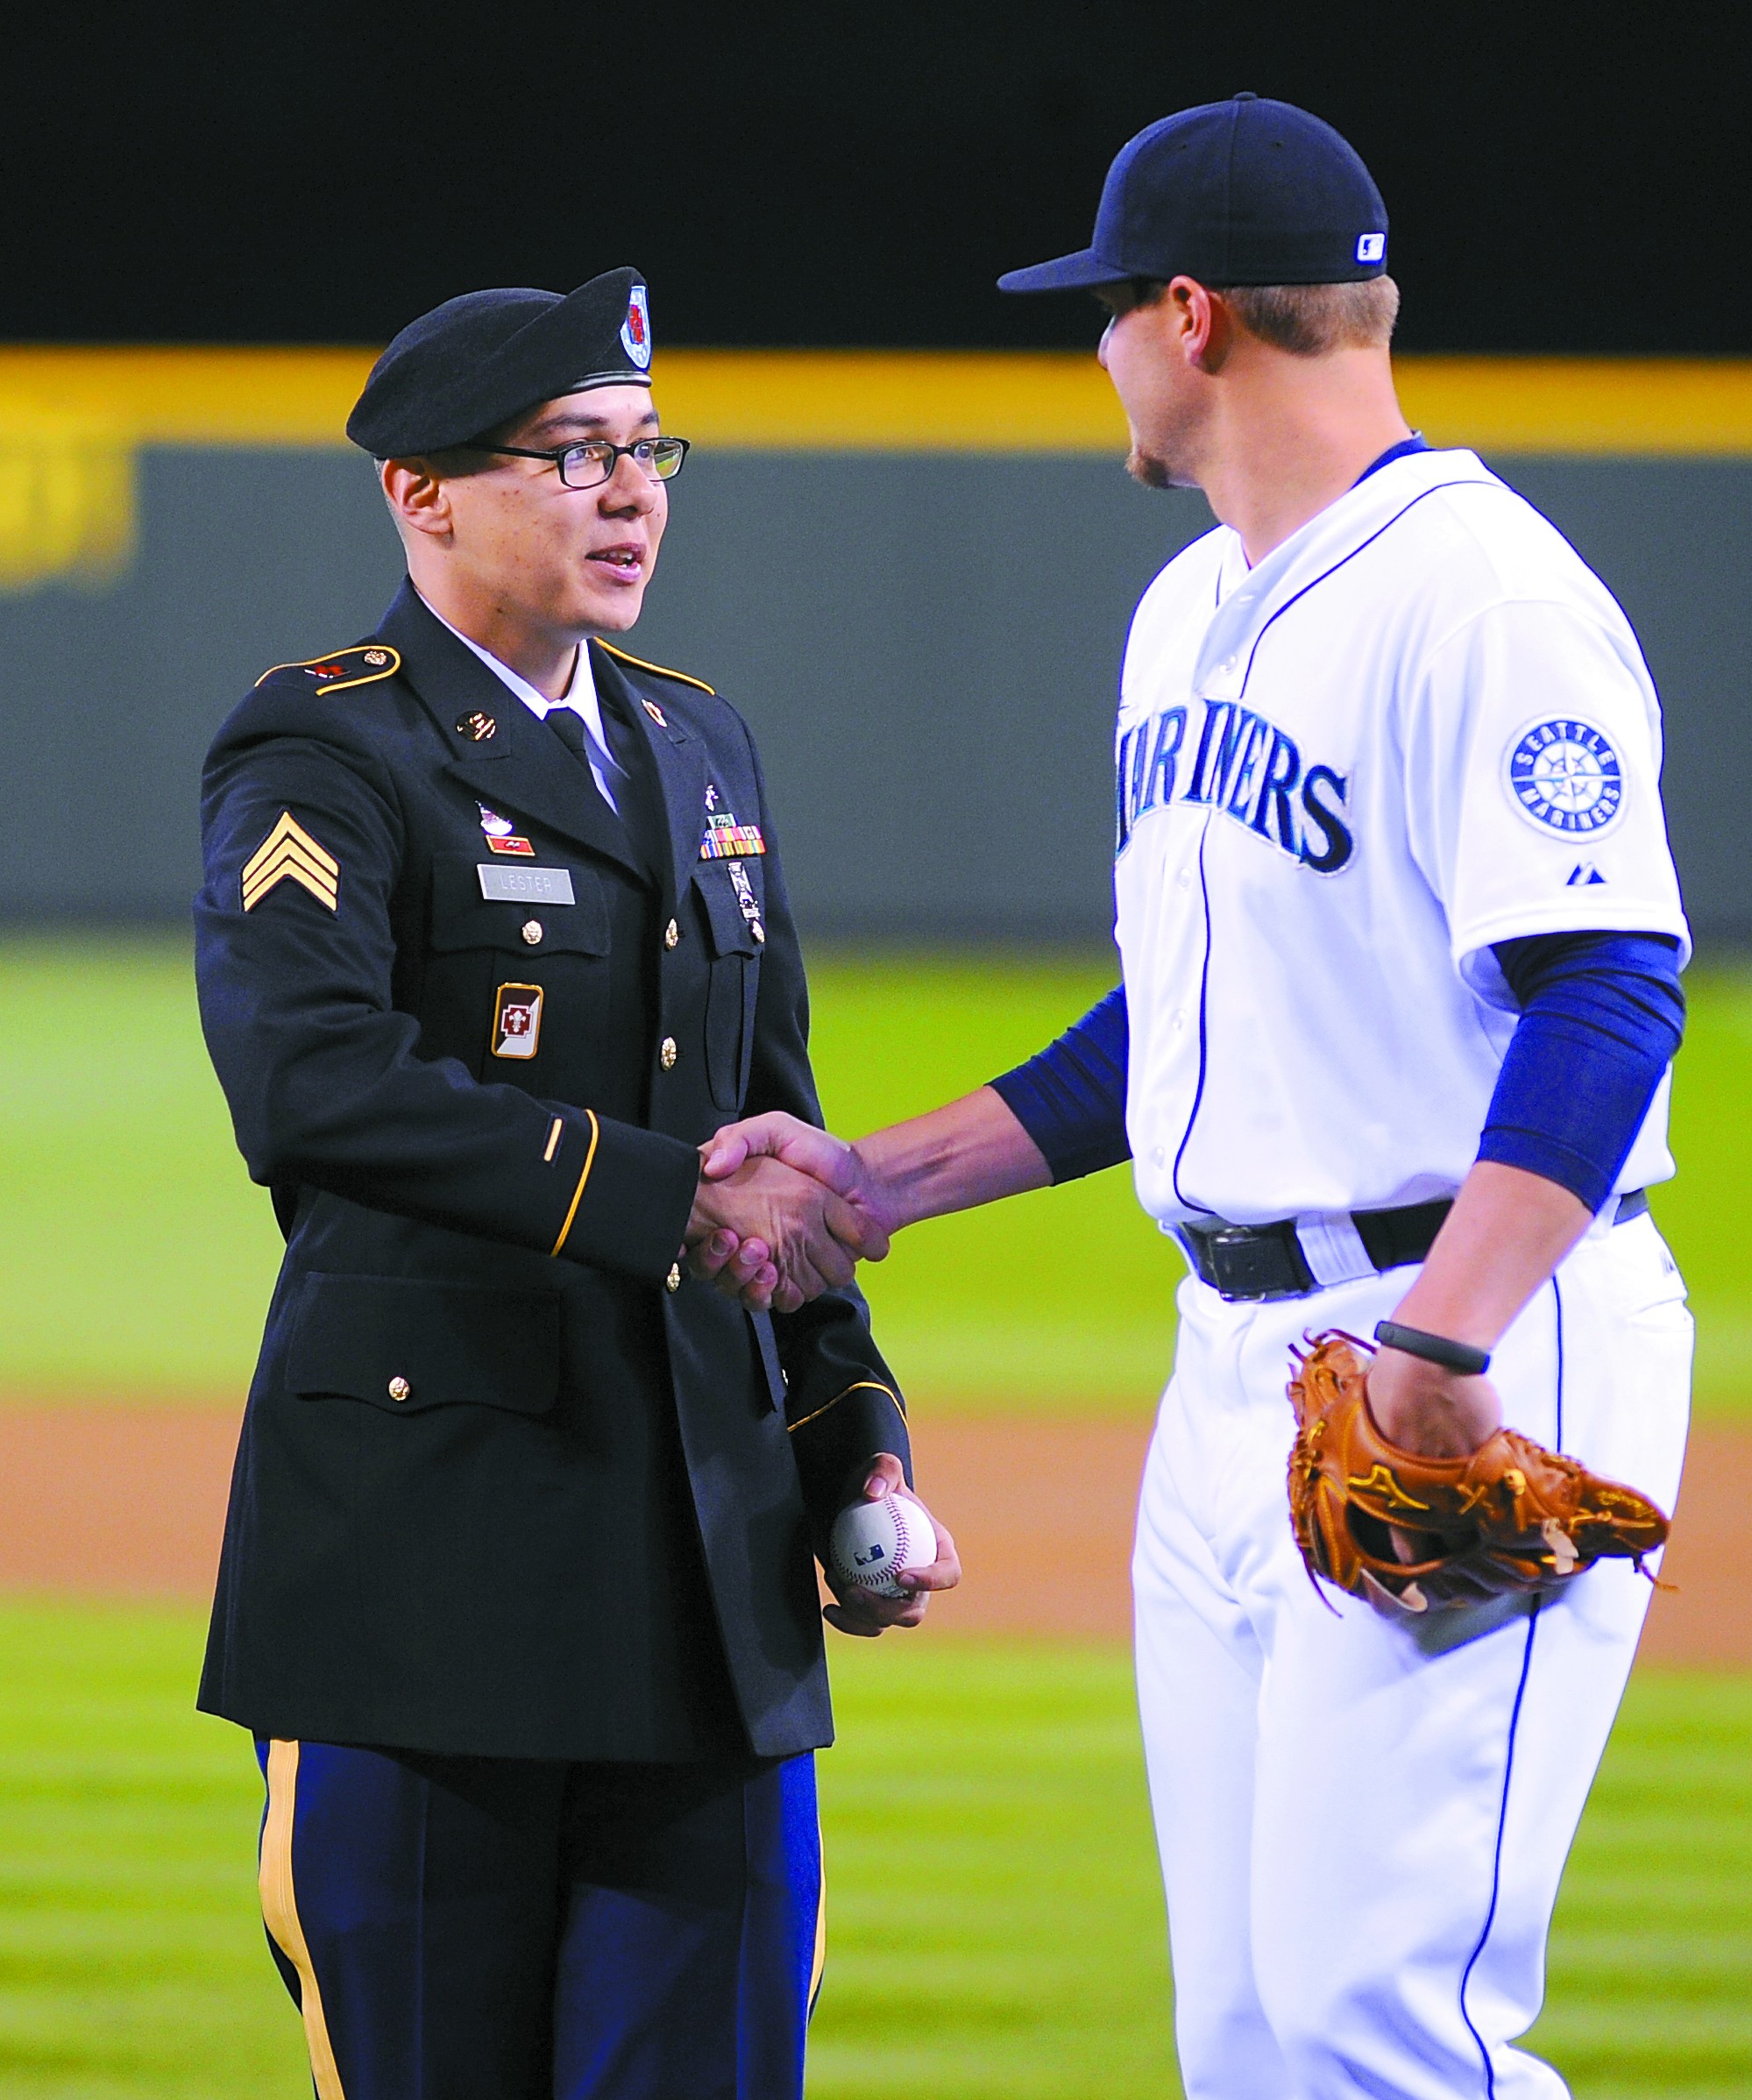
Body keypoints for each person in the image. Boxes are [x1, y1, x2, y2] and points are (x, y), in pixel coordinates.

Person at [704, 96, 1694, 2099]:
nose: (1096, 355)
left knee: (1375, 2020)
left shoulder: (1484, 598)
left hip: (1467, 1338)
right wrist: (872, 1182)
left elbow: (1610, 992)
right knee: (1248, 2039)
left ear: (1190, 317)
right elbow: (1171, 1023)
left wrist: (1444, 1339)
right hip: (1232, 1356)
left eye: (1103, 312)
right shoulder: (1191, 611)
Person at [192, 266, 958, 2100]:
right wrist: (660, 1200)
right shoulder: (326, 743)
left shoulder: (705, 746)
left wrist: (858, 1439)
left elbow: (775, 1137)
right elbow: (313, 1087)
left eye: (648, 452)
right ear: (420, 493)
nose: (633, 495)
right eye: (573, 456)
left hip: (710, 1587)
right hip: (427, 1579)